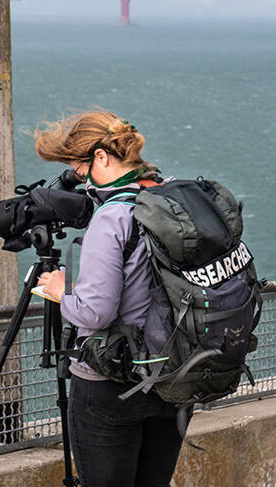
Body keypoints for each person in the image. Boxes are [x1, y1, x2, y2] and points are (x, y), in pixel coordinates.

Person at [33, 109, 184, 487]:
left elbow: (96, 313)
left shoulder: (113, 216)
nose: (82, 183)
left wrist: (60, 290)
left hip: (112, 380)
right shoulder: (172, 197)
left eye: (80, 170)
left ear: (101, 156)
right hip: (174, 373)